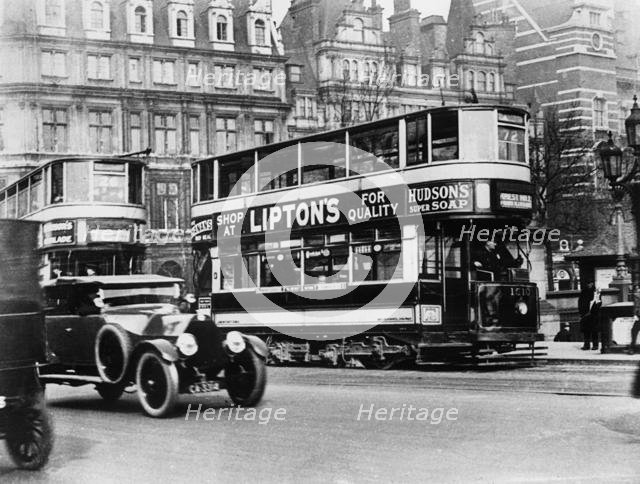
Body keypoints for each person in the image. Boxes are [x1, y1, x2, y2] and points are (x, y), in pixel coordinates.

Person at [578, 282, 601, 350]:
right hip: (585, 314)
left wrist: (595, 310)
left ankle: (595, 345)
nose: (589, 285)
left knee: (594, 331)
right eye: (588, 283)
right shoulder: (584, 291)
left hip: (594, 314)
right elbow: (580, 302)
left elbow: (599, 302)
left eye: (590, 283)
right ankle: (586, 345)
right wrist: (582, 312)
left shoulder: (596, 292)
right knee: (586, 331)